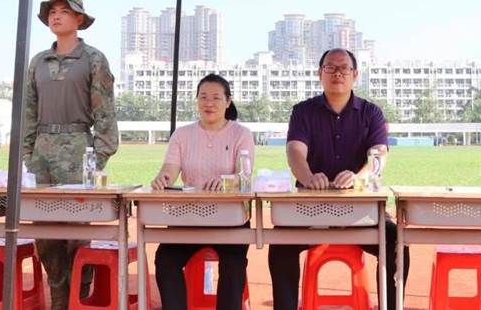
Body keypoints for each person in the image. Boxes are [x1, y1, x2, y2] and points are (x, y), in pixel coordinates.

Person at [268, 48, 409, 310]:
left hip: (360, 213)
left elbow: (379, 154)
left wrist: (358, 178)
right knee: (280, 245)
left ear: (355, 74)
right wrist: (308, 177)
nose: (337, 73)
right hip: (310, 210)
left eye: (344, 68)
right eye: (330, 67)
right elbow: (295, 151)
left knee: (395, 242)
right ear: (319, 73)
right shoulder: (303, 112)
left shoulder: (371, 113)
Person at [23, 0, 119, 310]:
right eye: (52, 11)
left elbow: (105, 113)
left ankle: (80, 298)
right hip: (42, 154)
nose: (56, 16)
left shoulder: (93, 59)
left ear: (79, 19)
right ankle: (58, 301)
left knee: (76, 234)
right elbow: (28, 113)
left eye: (64, 11)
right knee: (46, 236)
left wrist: (98, 158)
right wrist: (27, 158)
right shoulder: (38, 62)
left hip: (79, 149)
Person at [151, 73, 255, 310]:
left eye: (216, 98)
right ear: (197, 101)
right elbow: (170, 169)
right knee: (165, 260)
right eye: (203, 97)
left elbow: (244, 176)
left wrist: (226, 181)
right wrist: (163, 178)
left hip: (230, 221)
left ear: (228, 102)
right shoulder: (182, 134)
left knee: (234, 264)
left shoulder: (242, 134)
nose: (209, 103)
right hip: (188, 218)